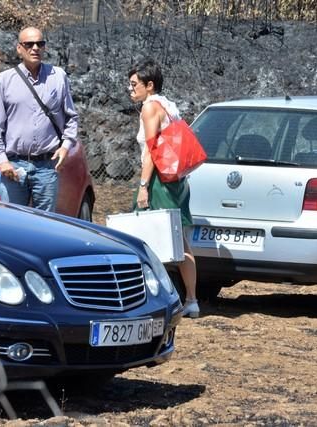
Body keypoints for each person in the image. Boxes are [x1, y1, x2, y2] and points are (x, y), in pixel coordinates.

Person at [128, 58, 200, 318]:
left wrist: (143, 186)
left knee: (143, 240)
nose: (130, 89)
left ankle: (149, 299)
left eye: (134, 84)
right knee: (179, 241)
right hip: (178, 181)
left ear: (149, 85)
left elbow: (151, 151)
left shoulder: (150, 109)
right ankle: (191, 299)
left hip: (160, 182)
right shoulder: (169, 105)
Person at [0, 26, 78, 211]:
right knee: (13, 224)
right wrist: (2, 161)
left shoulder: (58, 77)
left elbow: (71, 117)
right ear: (19, 48)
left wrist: (66, 146)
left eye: (40, 43)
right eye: (29, 44)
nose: (35, 48)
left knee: (46, 226)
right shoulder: (4, 80)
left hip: (47, 166)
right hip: (15, 166)